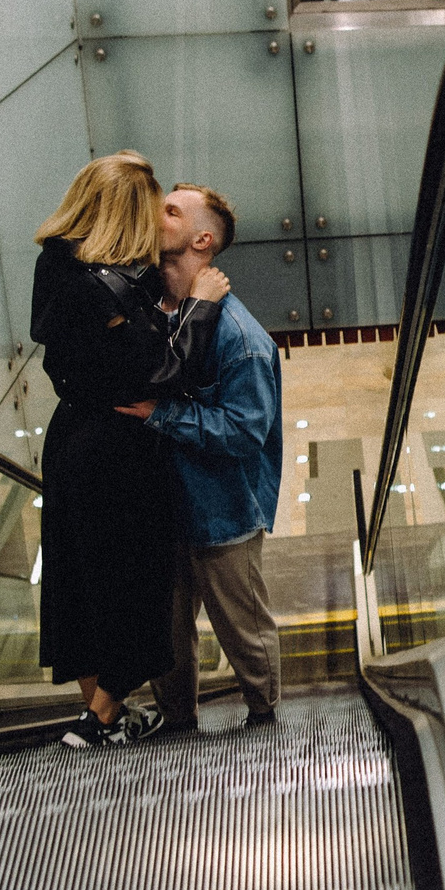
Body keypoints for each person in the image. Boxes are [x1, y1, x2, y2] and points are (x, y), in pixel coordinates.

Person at [30, 152, 229, 748]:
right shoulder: (103, 289)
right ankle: (99, 719)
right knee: (137, 583)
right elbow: (161, 370)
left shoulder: (56, 266)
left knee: (78, 581)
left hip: (69, 438)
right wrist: (199, 309)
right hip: (117, 451)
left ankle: (103, 714)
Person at [122, 183, 285, 733]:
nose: (154, 214)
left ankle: (265, 718)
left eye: (170, 210)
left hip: (224, 511)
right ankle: (177, 723)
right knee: (167, 632)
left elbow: (244, 433)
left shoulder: (241, 337)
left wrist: (159, 415)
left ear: (202, 238)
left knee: (242, 625)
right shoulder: (147, 313)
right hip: (163, 510)